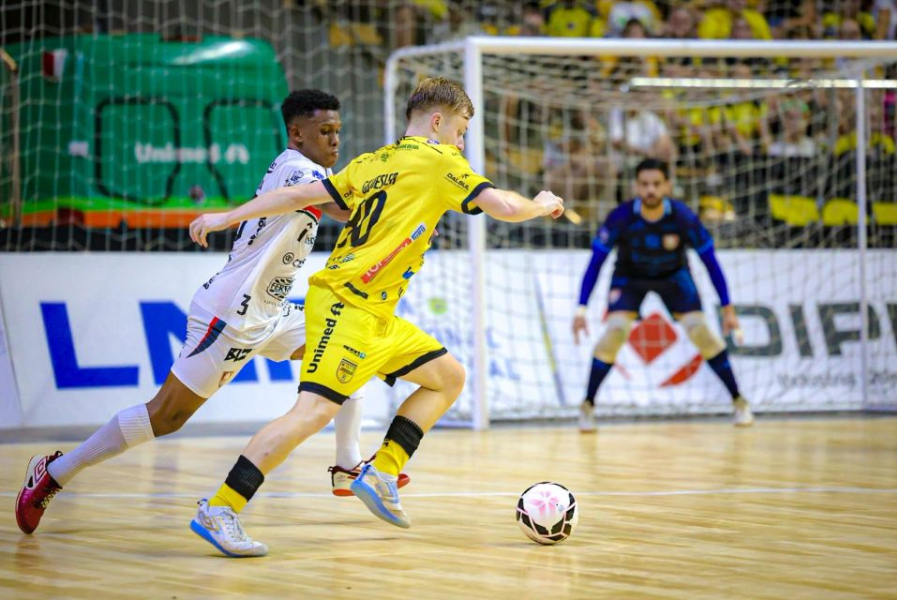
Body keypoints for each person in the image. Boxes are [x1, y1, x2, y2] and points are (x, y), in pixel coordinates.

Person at [187, 76, 565, 557]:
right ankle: (220, 507)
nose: (462, 141)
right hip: (346, 305)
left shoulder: (373, 162)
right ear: (437, 122)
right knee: (313, 413)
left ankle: (382, 471)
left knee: (447, 377)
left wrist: (225, 216)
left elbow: (293, 197)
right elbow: (504, 207)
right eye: (461, 129)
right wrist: (540, 204)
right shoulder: (442, 160)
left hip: (377, 313)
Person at [14, 89, 409, 536]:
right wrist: (406, 182)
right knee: (165, 416)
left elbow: (349, 209)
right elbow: (348, 208)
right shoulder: (298, 169)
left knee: (345, 353)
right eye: (325, 132)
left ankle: (346, 464)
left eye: (338, 131)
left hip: (270, 311)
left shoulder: (319, 169)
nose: (335, 140)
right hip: (230, 314)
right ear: (296, 133)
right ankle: (53, 472)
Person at [571, 158, 754, 433]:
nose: (650, 190)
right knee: (614, 333)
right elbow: (596, 262)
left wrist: (728, 308)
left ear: (667, 185)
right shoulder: (621, 217)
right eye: (644, 184)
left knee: (700, 332)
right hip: (630, 278)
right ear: (636, 186)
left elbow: (711, 262)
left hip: (674, 277)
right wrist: (581, 309)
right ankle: (587, 406)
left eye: (656, 184)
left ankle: (739, 401)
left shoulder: (683, 217)